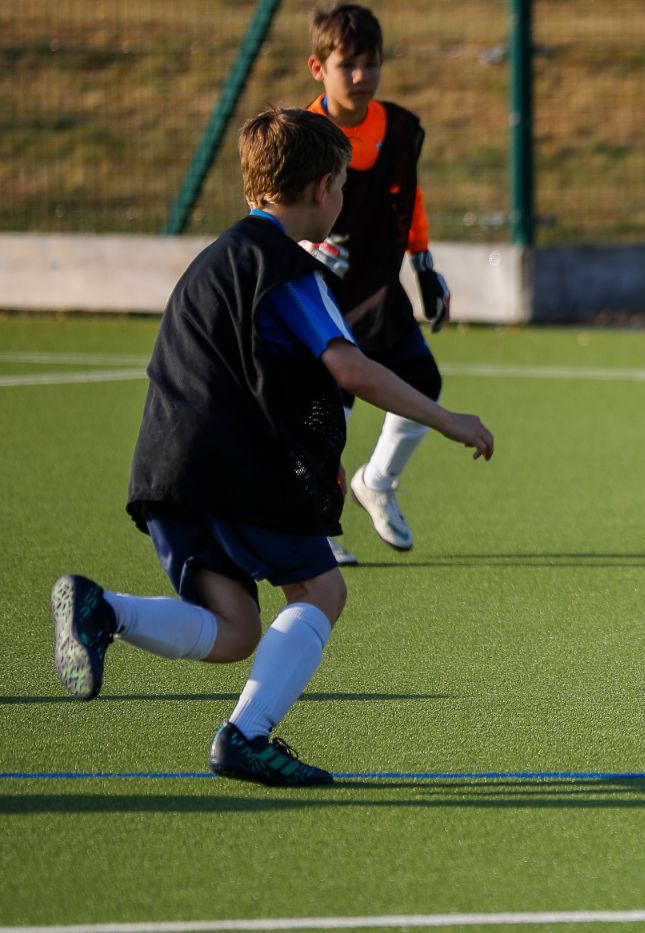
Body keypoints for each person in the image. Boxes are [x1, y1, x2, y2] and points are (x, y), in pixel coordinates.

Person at [50, 107, 493, 786]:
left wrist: (316, 464)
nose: (343, 199)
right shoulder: (287, 268)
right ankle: (246, 735)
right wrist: (445, 417)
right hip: (234, 469)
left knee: (232, 629)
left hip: (169, 469)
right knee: (321, 588)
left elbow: (243, 377)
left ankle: (102, 608)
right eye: (342, 184)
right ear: (321, 189)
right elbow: (348, 366)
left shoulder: (212, 262)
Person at [304, 2, 452, 566]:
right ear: (318, 67)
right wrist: (297, 248)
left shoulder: (401, 129)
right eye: (349, 65)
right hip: (316, 298)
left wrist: (424, 263)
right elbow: (269, 205)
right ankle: (314, 531)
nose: (362, 76)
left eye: (372, 63)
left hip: (379, 291)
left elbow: (409, 199)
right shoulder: (301, 135)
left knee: (423, 386)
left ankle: (377, 481)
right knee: (325, 417)